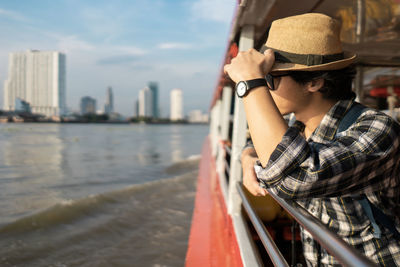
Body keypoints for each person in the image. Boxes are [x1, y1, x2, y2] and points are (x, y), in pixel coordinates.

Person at [223, 13, 400, 266]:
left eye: (269, 79)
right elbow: (272, 148)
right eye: (263, 79)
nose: (265, 88)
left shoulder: (377, 129)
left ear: (314, 82)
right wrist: (246, 155)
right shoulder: (299, 128)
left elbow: (295, 177)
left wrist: (250, 83)